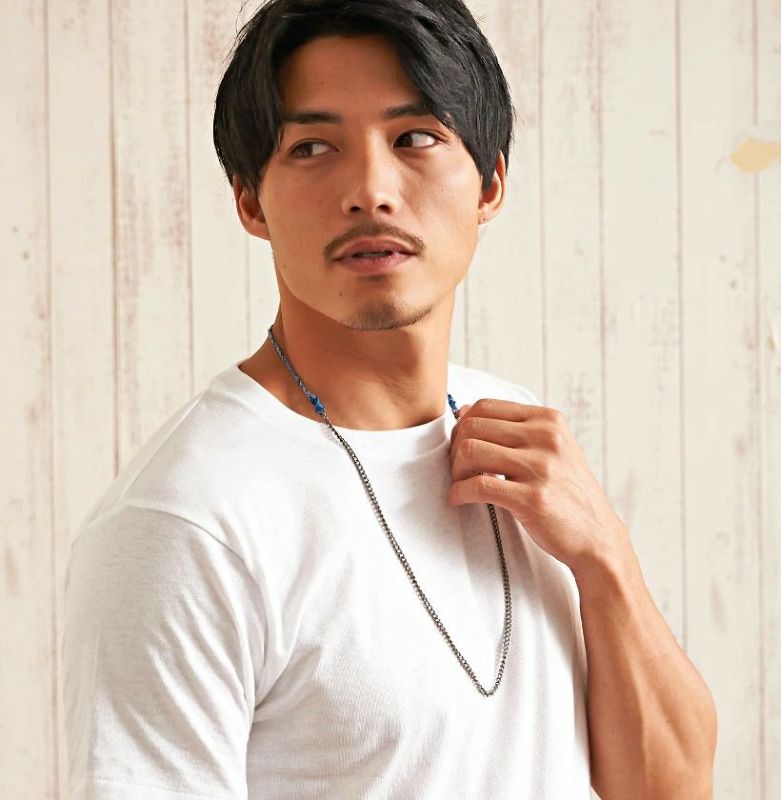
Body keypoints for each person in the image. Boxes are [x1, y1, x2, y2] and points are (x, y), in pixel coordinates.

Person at [61, 1, 592, 797]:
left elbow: (666, 782)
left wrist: (604, 559)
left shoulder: (518, 437)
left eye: (415, 138)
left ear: (490, 183)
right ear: (251, 201)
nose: (370, 191)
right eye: (312, 147)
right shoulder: (184, 522)